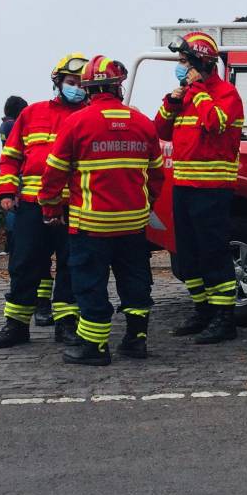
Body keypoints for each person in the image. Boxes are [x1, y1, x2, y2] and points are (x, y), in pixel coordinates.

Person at [38, 55, 164, 366]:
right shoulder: (141, 122)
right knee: (135, 281)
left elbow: (53, 173)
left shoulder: (76, 122)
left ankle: (94, 347)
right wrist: (146, 202)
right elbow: (157, 174)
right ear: (118, 87)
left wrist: (51, 207)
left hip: (91, 225)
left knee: (90, 284)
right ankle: (136, 340)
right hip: (133, 224)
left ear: (88, 88)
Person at [0, 54, 88, 349]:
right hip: (32, 206)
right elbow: (10, 157)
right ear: (58, 82)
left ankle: (67, 324)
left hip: (74, 206)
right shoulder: (32, 114)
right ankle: (16, 325)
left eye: (81, 83)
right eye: (71, 82)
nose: (76, 88)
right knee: (24, 263)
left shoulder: (90, 117)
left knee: (72, 265)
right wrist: (7, 191)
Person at [155, 31, 244, 344]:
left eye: (185, 62)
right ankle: (202, 310)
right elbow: (160, 130)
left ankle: (224, 318)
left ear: (202, 63)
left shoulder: (226, 94)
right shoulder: (186, 94)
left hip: (212, 189)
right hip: (183, 187)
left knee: (213, 253)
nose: (180, 67)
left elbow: (215, 124)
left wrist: (198, 90)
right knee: (188, 254)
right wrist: (171, 101)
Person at [0, 95, 27, 257]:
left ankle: (10, 243)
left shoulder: (4, 125)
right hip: (18, 170)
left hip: (12, 170)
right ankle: (12, 243)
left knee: (11, 208)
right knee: (14, 208)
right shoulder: (13, 125)